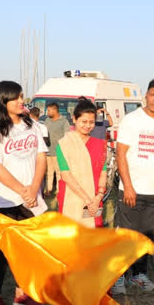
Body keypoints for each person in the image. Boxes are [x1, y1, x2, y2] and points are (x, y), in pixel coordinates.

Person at [0, 81, 48, 305]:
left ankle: (22, 293)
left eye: (22, 96)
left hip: (30, 199)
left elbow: (42, 157)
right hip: (5, 200)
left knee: (28, 249)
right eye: (16, 98)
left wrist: (33, 188)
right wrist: (22, 189)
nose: (22, 101)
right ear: (3, 101)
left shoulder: (32, 125)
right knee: (4, 251)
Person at [113, 77, 154, 295]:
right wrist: (128, 187)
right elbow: (120, 153)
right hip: (132, 189)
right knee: (126, 234)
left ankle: (139, 274)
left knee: (145, 236)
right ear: (146, 96)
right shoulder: (132, 120)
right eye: (153, 95)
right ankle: (119, 276)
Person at [56, 97, 108, 228]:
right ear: (74, 119)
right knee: (70, 235)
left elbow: (103, 172)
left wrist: (99, 197)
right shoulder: (64, 144)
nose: (88, 125)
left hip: (95, 198)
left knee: (93, 237)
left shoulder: (100, 144)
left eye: (91, 122)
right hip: (71, 196)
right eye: (83, 121)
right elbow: (66, 175)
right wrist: (87, 200)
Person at [44, 102, 70, 197]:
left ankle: (59, 191)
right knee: (49, 172)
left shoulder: (63, 121)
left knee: (59, 172)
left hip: (58, 151)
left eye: (49, 110)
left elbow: (67, 136)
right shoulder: (47, 120)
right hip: (48, 151)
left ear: (55, 110)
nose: (47, 112)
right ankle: (48, 190)